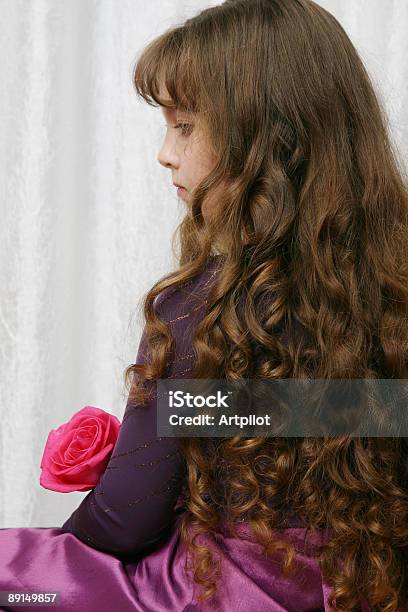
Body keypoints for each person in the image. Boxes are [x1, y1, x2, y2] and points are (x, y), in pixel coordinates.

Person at [1, 0, 407, 610]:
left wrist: (74, 527)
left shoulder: (198, 312)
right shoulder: (392, 299)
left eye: (184, 126)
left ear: (266, 140)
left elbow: (124, 520)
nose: (165, 153)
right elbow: (339, 415)